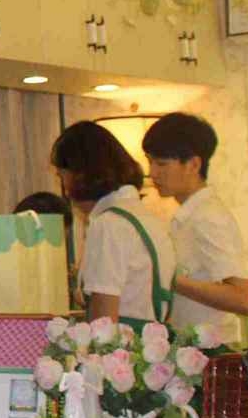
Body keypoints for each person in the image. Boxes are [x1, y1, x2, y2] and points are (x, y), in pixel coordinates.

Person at [144, 112, 248, 345]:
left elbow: (245, 300)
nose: (152, 173)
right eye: (150, 162)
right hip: (192, 349)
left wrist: (169, 279)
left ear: (193, 164)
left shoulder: (208, 217)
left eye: (161, 163)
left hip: (212, 352)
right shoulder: (189, 215)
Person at [51, 121, 175, 327]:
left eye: (62, 176)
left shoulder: (108, 224)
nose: (65, 190)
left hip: (120, 343)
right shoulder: (148, 218)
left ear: (80, 175)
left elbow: (103, 318)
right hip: (150, 341)